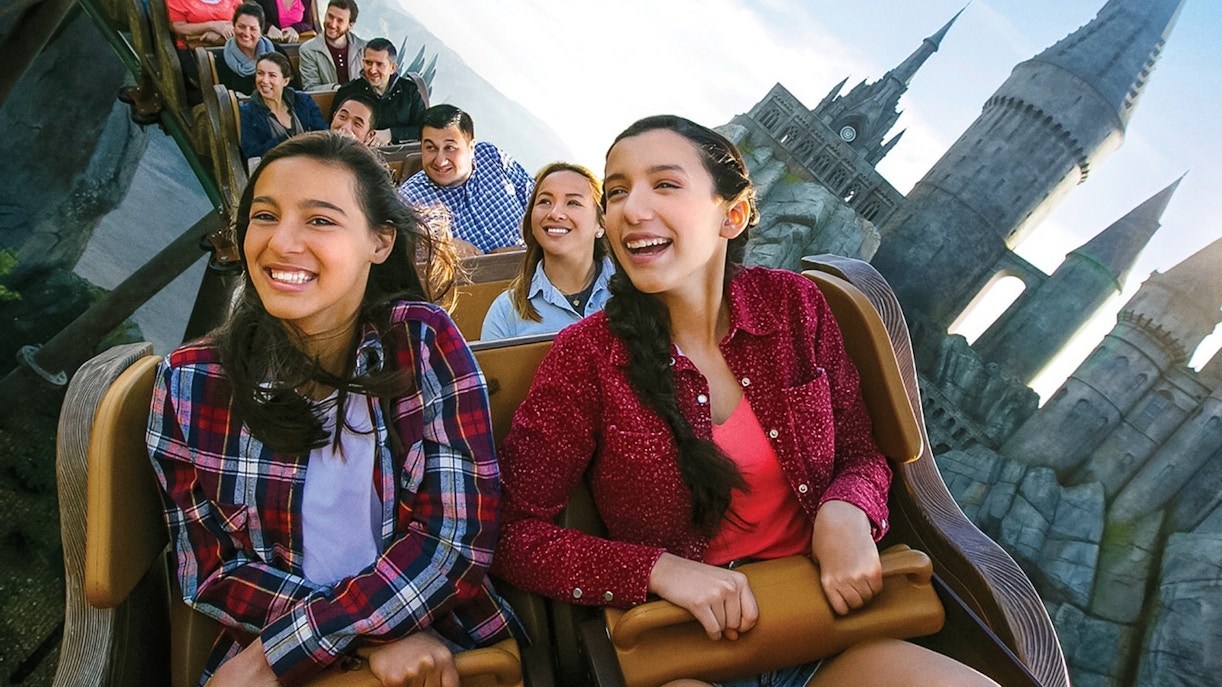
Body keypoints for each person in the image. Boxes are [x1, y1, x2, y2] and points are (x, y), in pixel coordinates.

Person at [491, 116, 997, 687]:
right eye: (615, 191)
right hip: (686, 648)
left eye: (664, 184)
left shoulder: (795, 307)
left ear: (730, 215)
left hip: (823, 621)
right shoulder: (586, 356)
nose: (630, 209)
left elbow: (861, 450)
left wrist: (848, 509)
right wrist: (657, 570)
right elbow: (511, 531)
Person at [147, 131, 521, 686]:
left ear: (380, 241)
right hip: (286, 650)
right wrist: (361, 642)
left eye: (320, 220)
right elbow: (209, 567)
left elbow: (453, 543)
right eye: (265, 215)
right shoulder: (190, 383)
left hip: (444, 646)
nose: (281, 243)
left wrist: (296, 646)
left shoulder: (421, 344)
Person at [480, 162, 613, 340]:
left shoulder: (636, 293)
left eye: (573, 202)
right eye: (545, 201)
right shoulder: (506, 312)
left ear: (601, 222)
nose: (555, 213)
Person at [397, 104, 531, 256]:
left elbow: (536, 203)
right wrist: (441, 249)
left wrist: (524, 251)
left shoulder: (493, 157)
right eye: (431, 148)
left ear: (471, 147)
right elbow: (404, 257)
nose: (440, 161)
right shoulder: (409, 199)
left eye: (450, 148)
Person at [330, 38, 426, 145]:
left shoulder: (409, 91)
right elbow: (332, 128)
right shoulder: (347, 91)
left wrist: (391, 134)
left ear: (393, 68)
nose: (372, 70)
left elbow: (424, 128)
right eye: (368, 63)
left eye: (379, 64)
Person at [238, 52, 327, 161]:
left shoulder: (304, 101)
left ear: (285, 81)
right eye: (260, 73)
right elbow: (252, 152)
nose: (264, 81)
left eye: (272, 75)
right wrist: (292, 140)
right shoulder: (247, 112)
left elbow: (323, 134)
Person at [214, 3, 281, 96]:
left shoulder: (277, 52)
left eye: (253, 29)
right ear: (233, 26)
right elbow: (224, 99)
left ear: (261, 30)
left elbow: (292, 88)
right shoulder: (222, 59)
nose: (246, 33)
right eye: (241, 27)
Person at [298, 0, 366, 91]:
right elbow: (310, 89)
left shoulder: (364, 49)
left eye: (340, 21)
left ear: (350, 25)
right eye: (330, 16)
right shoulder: (308, 50)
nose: (333, 24)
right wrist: (336, 88)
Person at [167, 0, 243, 49]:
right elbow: (178, 28)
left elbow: (243, 20)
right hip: (194, 49)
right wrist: (211, 26)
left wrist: (220, 38)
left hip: (232, 47)